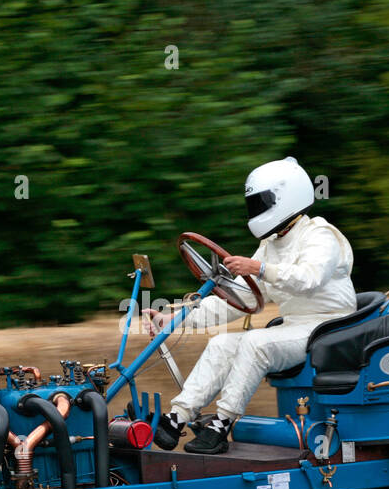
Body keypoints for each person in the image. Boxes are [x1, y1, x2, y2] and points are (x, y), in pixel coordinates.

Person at [147, 157, 356, 454]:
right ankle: (176, 418)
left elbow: (310, 277)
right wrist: (175, 319)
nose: (255, 211)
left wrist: (258, 268)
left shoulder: (320, 235)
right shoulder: (271, 244)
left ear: (286, 196)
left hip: (330, 327)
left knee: (256, 342)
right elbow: (238, 300)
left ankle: (222, 423)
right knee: (221, 343)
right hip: (296, 328)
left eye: (260, 203)